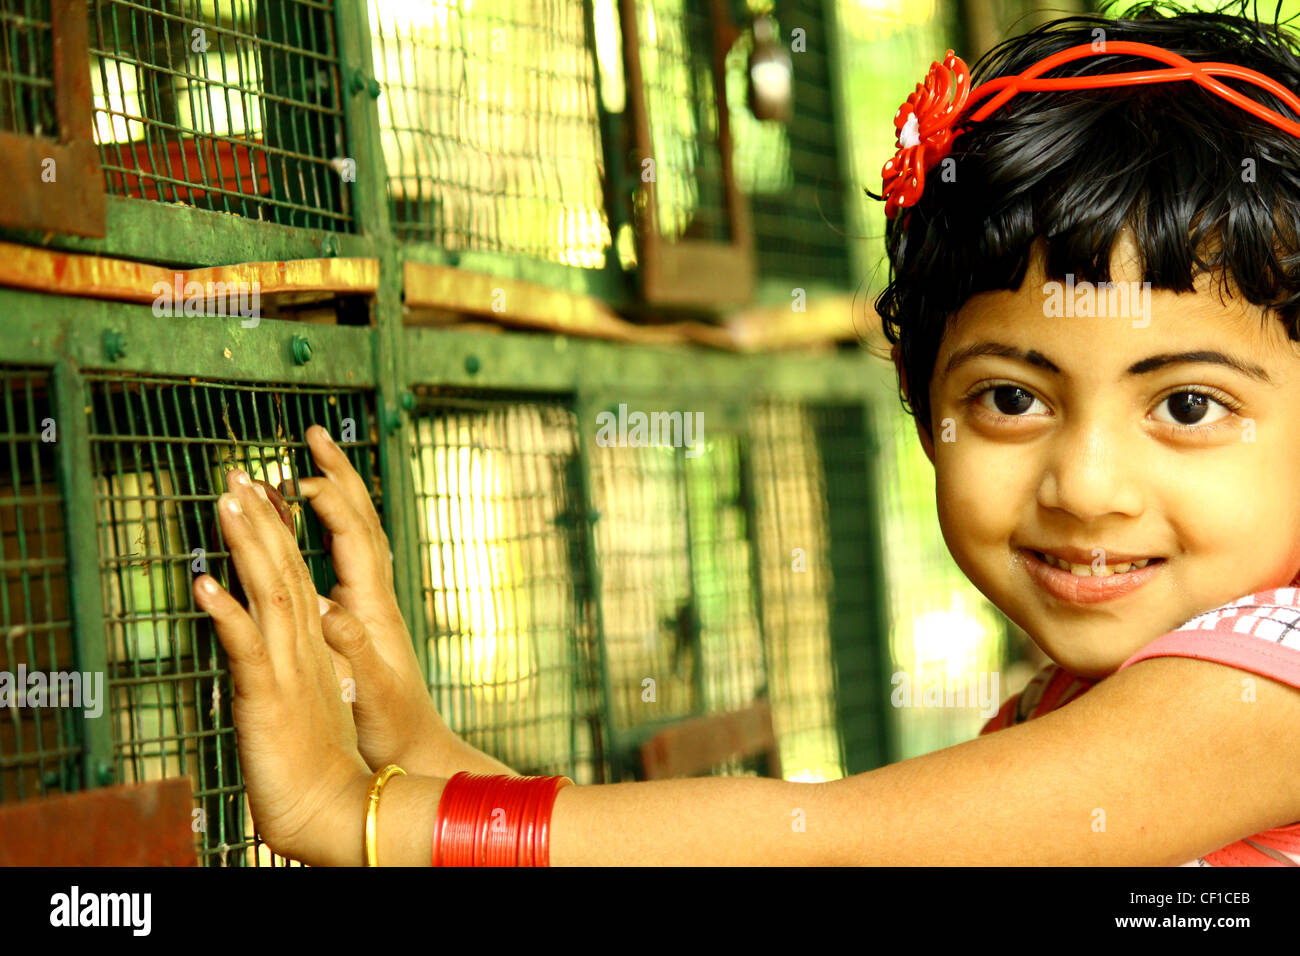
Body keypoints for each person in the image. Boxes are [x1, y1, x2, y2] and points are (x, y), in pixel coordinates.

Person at [192, 0, 1300, 865]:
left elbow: (818, 844)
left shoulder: (1266, 694)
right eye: (1011, 397)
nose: (1085, 483)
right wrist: (426, 762)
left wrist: (363, 816)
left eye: (1187, 406)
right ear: (924, 407)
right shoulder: (1073, 706)